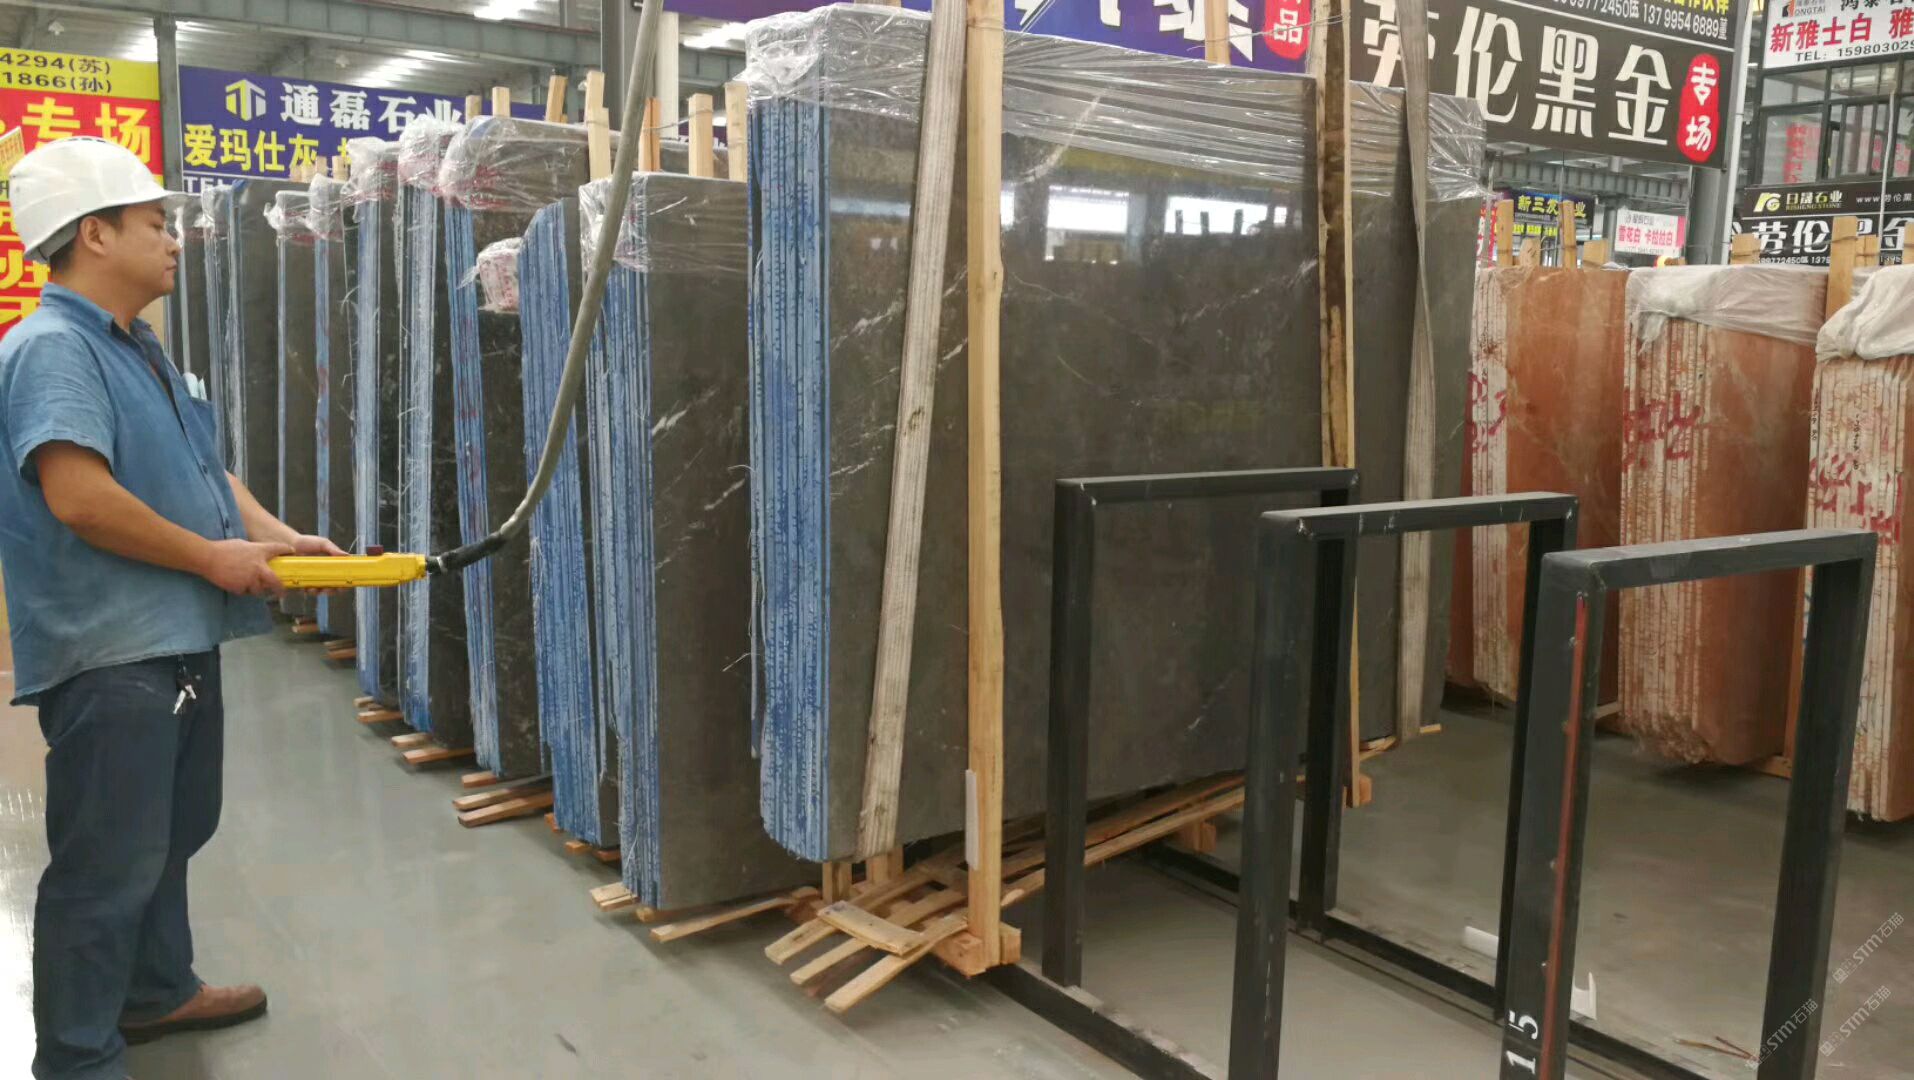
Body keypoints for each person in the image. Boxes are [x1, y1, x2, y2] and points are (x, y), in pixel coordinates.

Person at [0, 137, 344, 1080]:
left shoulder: (139, 349)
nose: (174, 241)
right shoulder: (53, 349)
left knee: (169, 836)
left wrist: (278, 537)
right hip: (112, 651)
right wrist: (211, 558)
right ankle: (76, 1057)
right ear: (94, 234)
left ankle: (155, 991)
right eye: (156, 224)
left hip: (173, 640)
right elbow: (79, 496)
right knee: (106, 864)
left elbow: (205, 470)